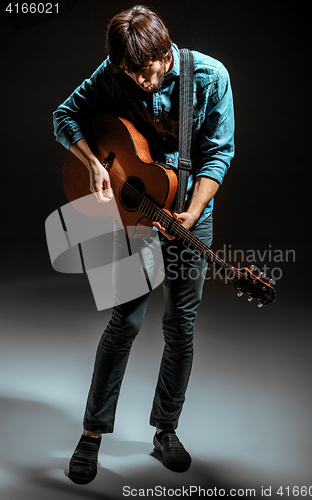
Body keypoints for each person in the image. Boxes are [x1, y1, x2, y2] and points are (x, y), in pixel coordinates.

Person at [53, 4, 234, 483]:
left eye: (146, 71)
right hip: (134, 219)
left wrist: (191, 215)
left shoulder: (211, 77)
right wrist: (92, 161)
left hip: (188, 213)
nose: (139, 82)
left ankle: (165, 430)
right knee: (124, 321)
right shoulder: (118, 70)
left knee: (181, 325)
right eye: (129, 74)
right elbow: (64, 116)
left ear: (164, 51)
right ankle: (92, 433)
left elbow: (219, 153)